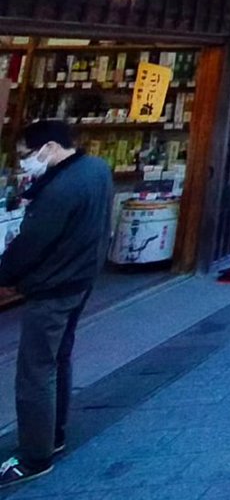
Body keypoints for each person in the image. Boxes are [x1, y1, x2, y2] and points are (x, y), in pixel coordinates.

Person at [0, 121, 112, 488]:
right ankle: (54, 433)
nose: (25, 163)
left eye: (27, 155)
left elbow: (31, 244)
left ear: (49, 147)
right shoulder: (95, 169)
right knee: (58, 359)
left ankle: (35, 455)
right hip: (79, 279)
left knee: (35, 371)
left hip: (52, 287)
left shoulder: (61, 190)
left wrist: (5, 273)